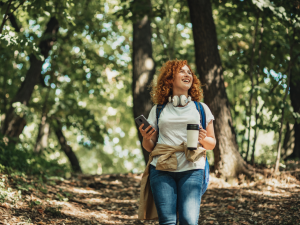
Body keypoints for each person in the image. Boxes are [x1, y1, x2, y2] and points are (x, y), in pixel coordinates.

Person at [137, 59, 216, 225]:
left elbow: (212, 143)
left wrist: (203, 139)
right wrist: (146, 138)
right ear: (170, 79)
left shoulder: (201, 108)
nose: (187, 74)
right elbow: (150, 147)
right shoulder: (158, 109)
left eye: (189, 72)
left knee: (189, 221)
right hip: (162, 168)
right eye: (182, 71)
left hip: (192, 168)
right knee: (168, 222)